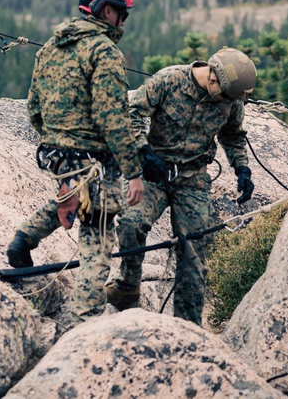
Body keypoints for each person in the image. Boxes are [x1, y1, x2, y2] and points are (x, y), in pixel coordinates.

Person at [5, 0, 145, 325]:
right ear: (106, 11)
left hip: (56, 152)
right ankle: (86, 323)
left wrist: (56, 138)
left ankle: (25, 238)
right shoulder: (104, 53)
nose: (124, 23)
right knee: (97, 235)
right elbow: (113, 118)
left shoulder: (51, 46)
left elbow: (34, 106)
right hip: (92, 157)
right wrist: (134, 171)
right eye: (122, 15)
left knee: (77, 196)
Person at [107, 47, 257, 326]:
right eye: (225, 96)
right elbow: (132, 112)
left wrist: (242, 168)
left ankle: (187, 326)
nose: (227, 102)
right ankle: (128, 285)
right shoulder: (169, 80)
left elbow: (233, 135)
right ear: (213, 79)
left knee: (194, 250)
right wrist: (143, 151)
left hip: (193, 178)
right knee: (131, 223)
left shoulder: (231, 99)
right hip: (155, 171)